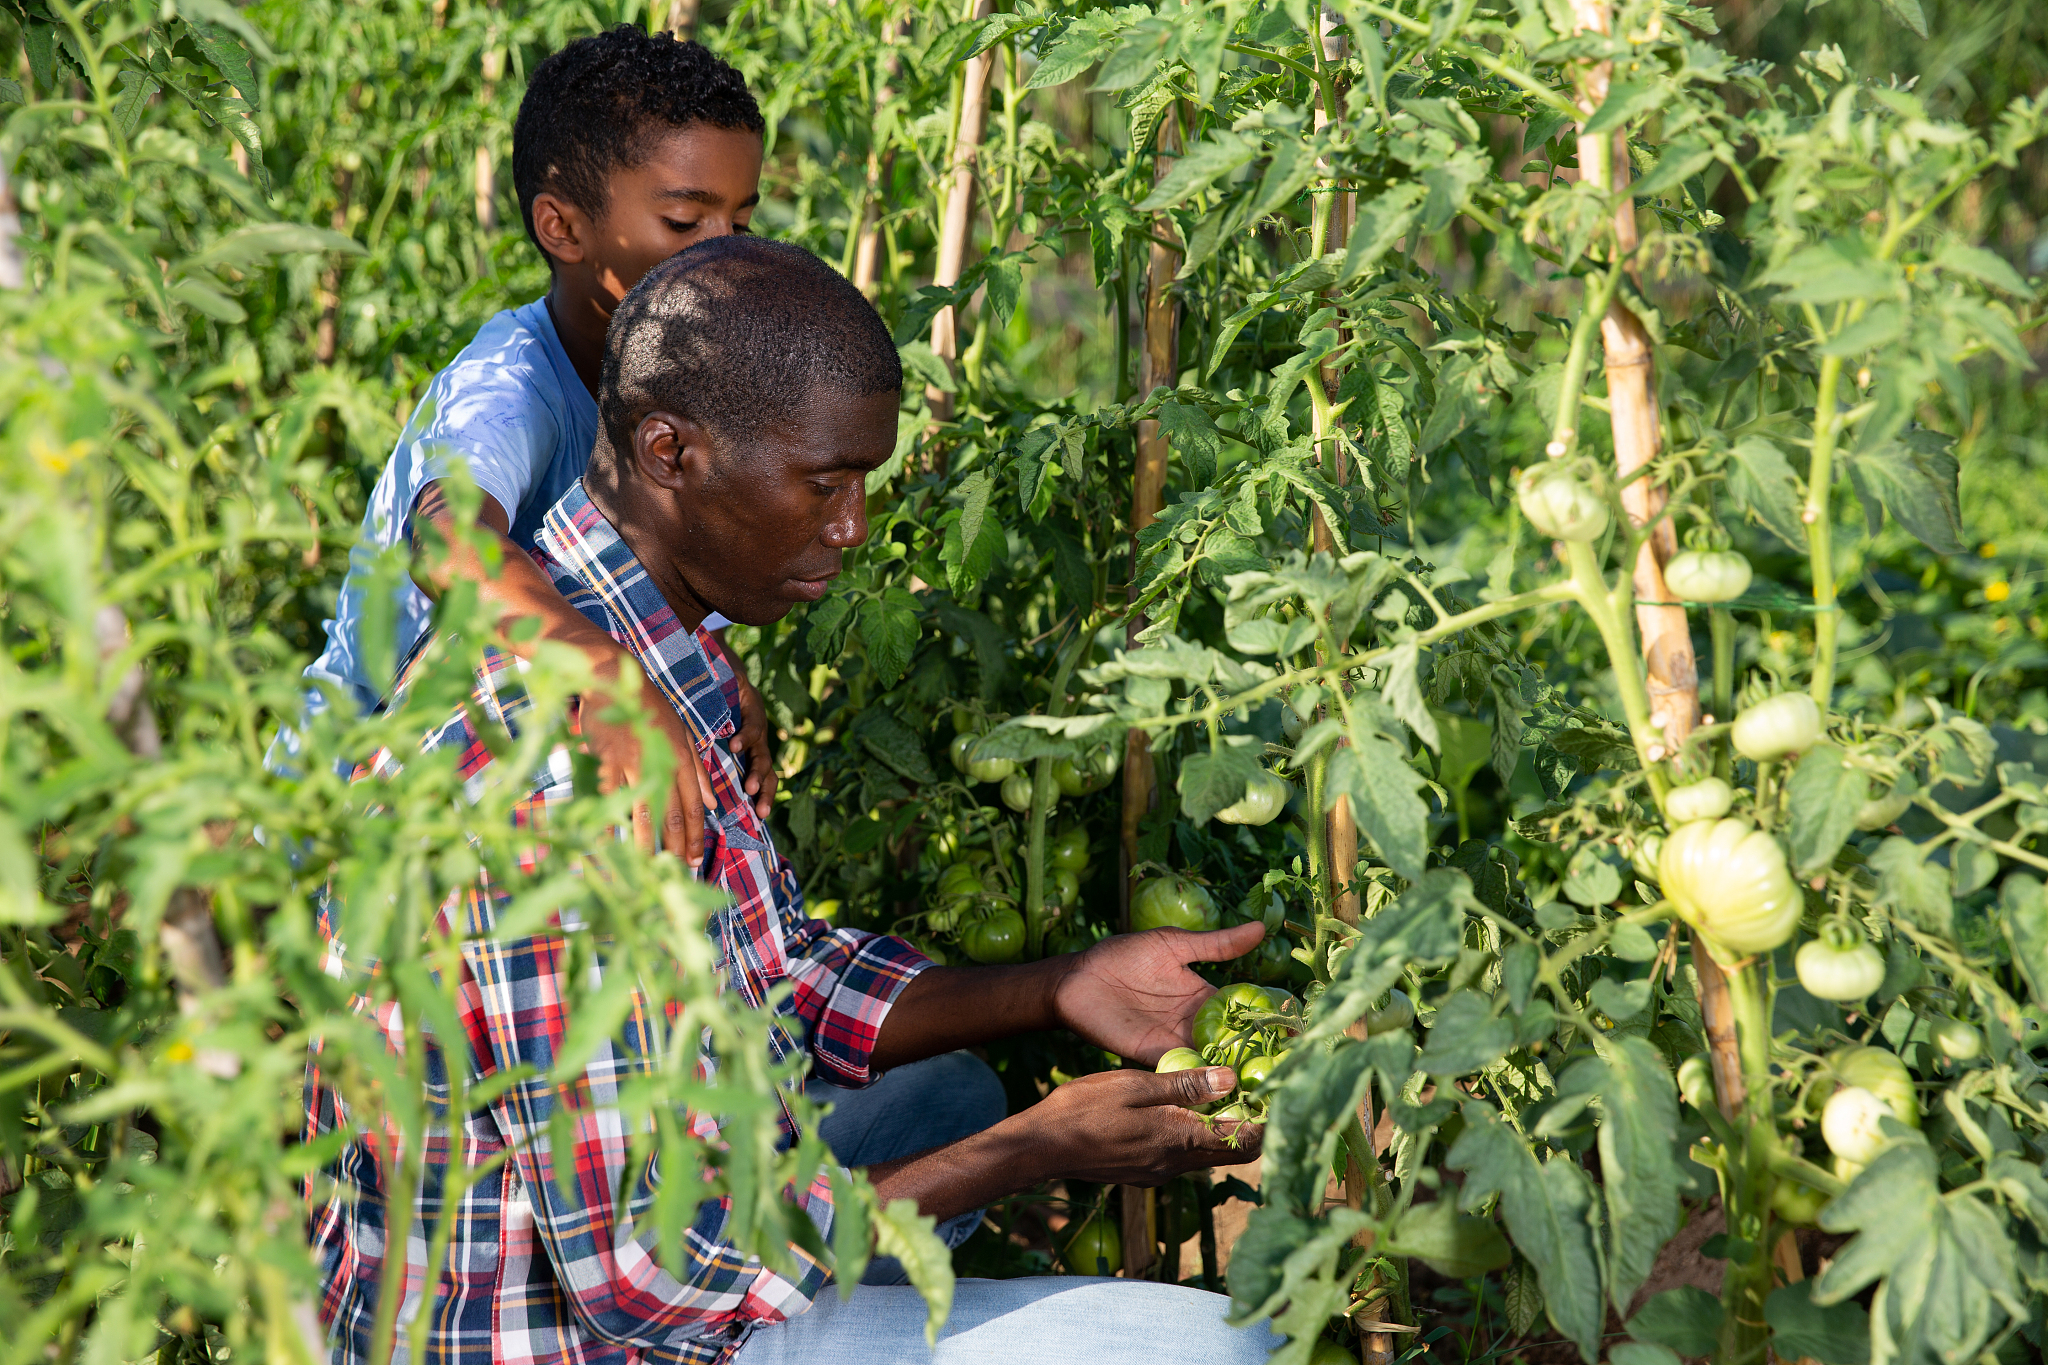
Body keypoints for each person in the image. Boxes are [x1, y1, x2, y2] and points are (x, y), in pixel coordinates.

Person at [304, 237, 1279, 1365]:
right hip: (580, 1332)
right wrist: (1037, 1150)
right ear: (670, 452)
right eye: (824, 481)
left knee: (945, 1095)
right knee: (1216, 1350)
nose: (852, 525)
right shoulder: (562, 771)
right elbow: (652, 1282)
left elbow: (771, 977)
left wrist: (1061, 987)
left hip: (626, 1239)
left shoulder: (649, 657)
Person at [298, 26, 768, 860]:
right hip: (347, 821)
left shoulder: (664, 384)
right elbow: (448, 547)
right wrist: (609, 674)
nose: (725, 255)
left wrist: (719, 677)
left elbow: (637, 577)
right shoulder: (509, 387)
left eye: (740, 219)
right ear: (563, 226)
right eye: (686, 219)